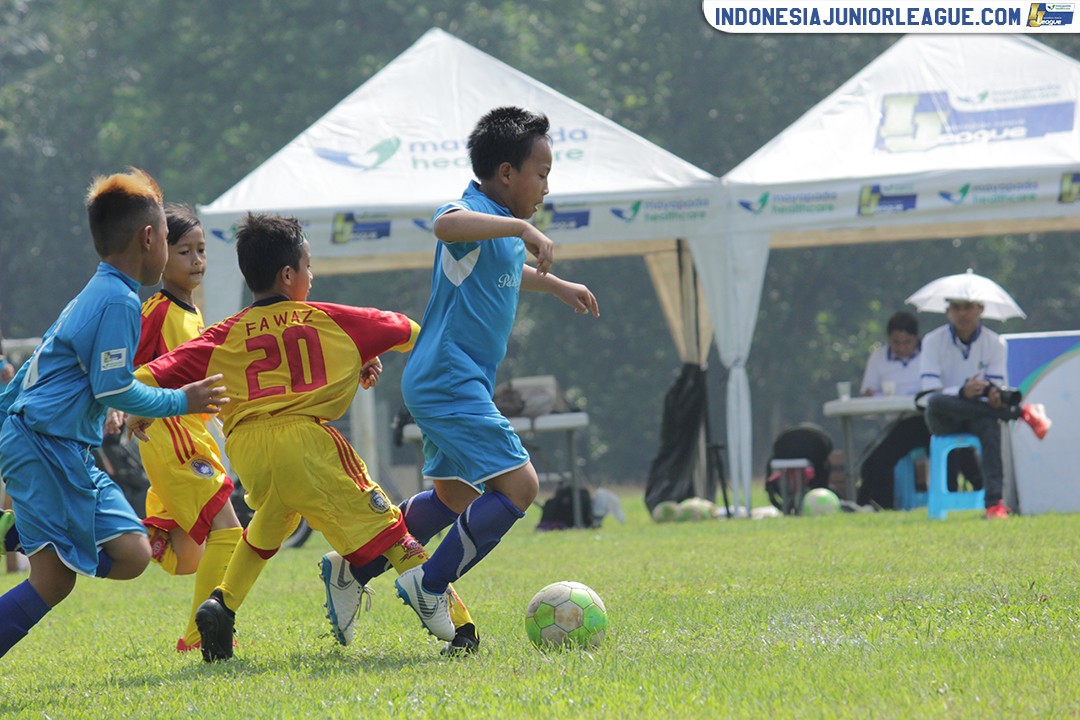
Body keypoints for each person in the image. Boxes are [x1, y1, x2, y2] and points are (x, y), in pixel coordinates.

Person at [130, 212, 477, 662]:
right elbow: (407, 329)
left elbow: (149, 373)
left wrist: (136, 409)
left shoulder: (222, 333)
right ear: (289, 273)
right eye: (308, 267)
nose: (311, 278)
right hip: (305, 445)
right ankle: (462, 628)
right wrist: (379, 353)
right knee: (392, 530)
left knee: (271, 522)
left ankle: (221, 606)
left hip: (249, 451)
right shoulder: (326, 318)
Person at [381, 106, 600, 639]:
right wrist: (523, 225)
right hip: (448, 377)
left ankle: (354, 564)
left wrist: (556, 284)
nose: (547, 187)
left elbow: (503, 268)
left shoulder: (496, 226)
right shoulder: (476, 210)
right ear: (507, 174)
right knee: (521, 486)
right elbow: (444, 224)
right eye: (542, 174)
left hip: (449, 378)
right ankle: (428, 585)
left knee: (455, 495)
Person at [0, 168, 228, 659]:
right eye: (170, 239)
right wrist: (181, 401)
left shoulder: (104, 290)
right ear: (149, 239)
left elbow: (58, 367)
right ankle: (32, 530)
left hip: (64, 448)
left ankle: (22, 529)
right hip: (42, 444)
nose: (170, 249)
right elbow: (116, 387)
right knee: (55, 581)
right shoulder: (118, 301)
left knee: (132, 556)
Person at [130, 203, 244, 654]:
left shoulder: (193, 315)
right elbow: (129, 370)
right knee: (229, 529)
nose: (197, 260)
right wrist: (131, 410)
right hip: (168, 434)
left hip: (190, 435)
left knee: (186, 558)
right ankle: (200, 637)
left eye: (201, 250)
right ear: (158, 254)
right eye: (184, 252)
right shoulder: (155, 311)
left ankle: (150, 541)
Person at [921, 299, 1051, 519]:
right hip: (943, 416)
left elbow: (997, 385)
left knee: (989, 424)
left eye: (968, 307)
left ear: (980, 309)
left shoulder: (995, 343)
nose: (962, 314)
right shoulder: (933, 341)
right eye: (957, 308)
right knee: (935, 402)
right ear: (947, 311)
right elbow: (929, 390)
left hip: (980, 412)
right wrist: (962, 391)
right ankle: (1020, 413)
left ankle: (994, 505)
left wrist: (992, 397)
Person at [856, 311, 933, 509]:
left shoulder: (932, 353)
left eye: (907, 342)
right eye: (895, 342)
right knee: (875, 463)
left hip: (931, 419)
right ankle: (882, 506)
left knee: (948, 454)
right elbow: (868, 395)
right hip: (899, 423)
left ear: (916, 338)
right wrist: (870, 397)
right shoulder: (879, 357)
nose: (901, 348)